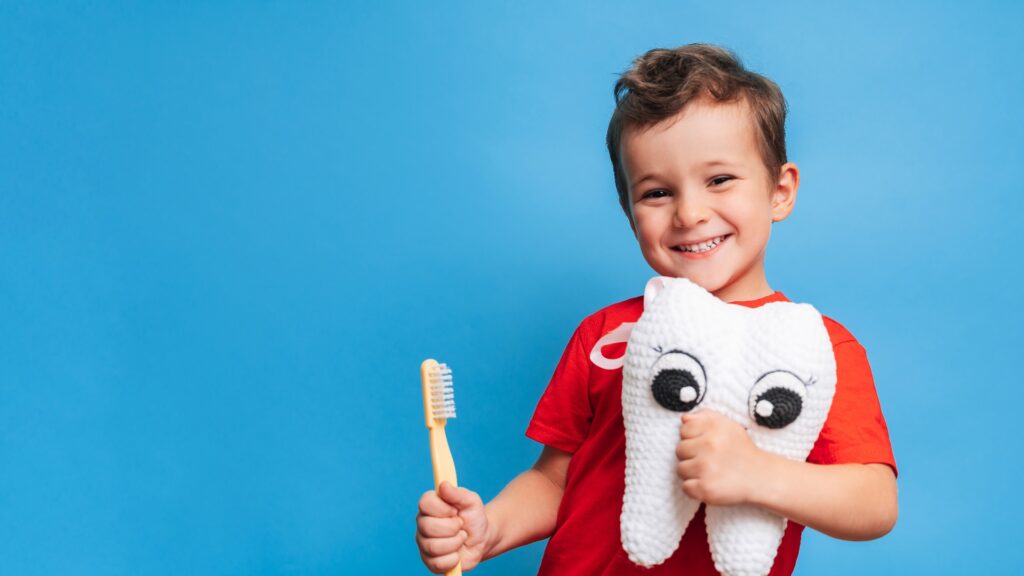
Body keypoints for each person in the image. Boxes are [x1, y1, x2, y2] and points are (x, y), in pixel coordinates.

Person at [415, 43, 898, 576]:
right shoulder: (606, 336)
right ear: (628, 212)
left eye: (719, 180)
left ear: (779, 191)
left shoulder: (815, 347)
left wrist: (758, 474)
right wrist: (488, 529)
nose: (690, 213)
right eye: (657, 193)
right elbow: (555, 480)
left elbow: (874, 501)